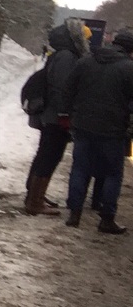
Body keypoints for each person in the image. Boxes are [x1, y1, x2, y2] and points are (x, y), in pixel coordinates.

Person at [61, 30, 133, 233]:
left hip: (83, 126)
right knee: (112, 174)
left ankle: (74, 214)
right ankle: (107, 218)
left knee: (80, 169)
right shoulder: (129, 68)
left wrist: (72, 115)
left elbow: (68, 89)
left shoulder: (86, 61)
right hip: (114, 130)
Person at [25, 20, 89, 215]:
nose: (86, 41)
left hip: (52, 114)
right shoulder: (67, 57)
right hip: (56, 116)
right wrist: (65, 114)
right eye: (85, 38)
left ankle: (34, 196)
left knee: (46, 154)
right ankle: (34, 201)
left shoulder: (62, 54)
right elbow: (62, 88)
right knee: (50, 155)